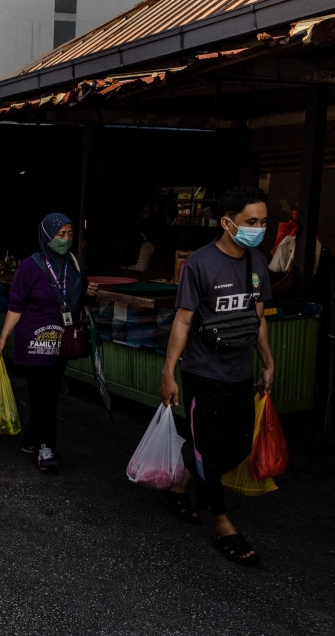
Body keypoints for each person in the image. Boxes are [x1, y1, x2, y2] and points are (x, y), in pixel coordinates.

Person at [159, 186, 274, 567]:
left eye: (262, 221)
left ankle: (182, 484)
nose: (259, 228)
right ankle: (222, 521)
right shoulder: (199, 264)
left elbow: (257, 318)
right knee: (208, 447)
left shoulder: (257, 262)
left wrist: (267, 362)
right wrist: (169, 372)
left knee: (239, 444)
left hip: (240, 372)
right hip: (203, 373)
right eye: (250, 222)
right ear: (227, 223)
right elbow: (183, 320)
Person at [0, 214, 98, 471]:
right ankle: (46, 447)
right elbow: (15, 306)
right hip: (34, 341)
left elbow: (78, 298)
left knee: (46, 394)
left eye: (69, 235)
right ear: (47, 235)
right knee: (44, 395)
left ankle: (31, 438)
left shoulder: (74, 263)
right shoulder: (30, 266)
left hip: (62, 342)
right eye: (60, 235)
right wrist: (3, 338)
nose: (65, 240)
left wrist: (87, 294)